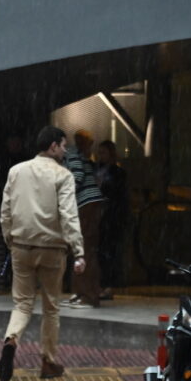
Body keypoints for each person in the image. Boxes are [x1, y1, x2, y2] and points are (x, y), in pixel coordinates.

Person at [0, 126, 85, 381]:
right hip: (52, 250)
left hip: (21, 246)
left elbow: (6, 209)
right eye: (63, 145)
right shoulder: (63, 176)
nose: (65, 150)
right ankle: (48, 361)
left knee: (22, 303)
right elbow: (68, 214)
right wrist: (78, 251)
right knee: (51, 308)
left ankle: (11, 340)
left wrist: (10, 238)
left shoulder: (16, 171)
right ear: (53, 146)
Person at [62, 129, 105, 308]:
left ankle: (88, 295)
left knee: (83, 249)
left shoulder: (70, 153)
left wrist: (63, 193)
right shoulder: (80, 154)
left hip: (85, 204)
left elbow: (77, 176)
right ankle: (82, 292)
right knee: (83, 249)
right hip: (90, 203)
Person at [96, 140, 128, 299]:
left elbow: (120, 197)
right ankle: (101, 283)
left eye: (103, 152)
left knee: (110, 252)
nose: (100, 156)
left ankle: (109, 285)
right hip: (99, 216)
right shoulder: (97, 170)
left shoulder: (118, 173)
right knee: (101, 251)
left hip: (111, 216)